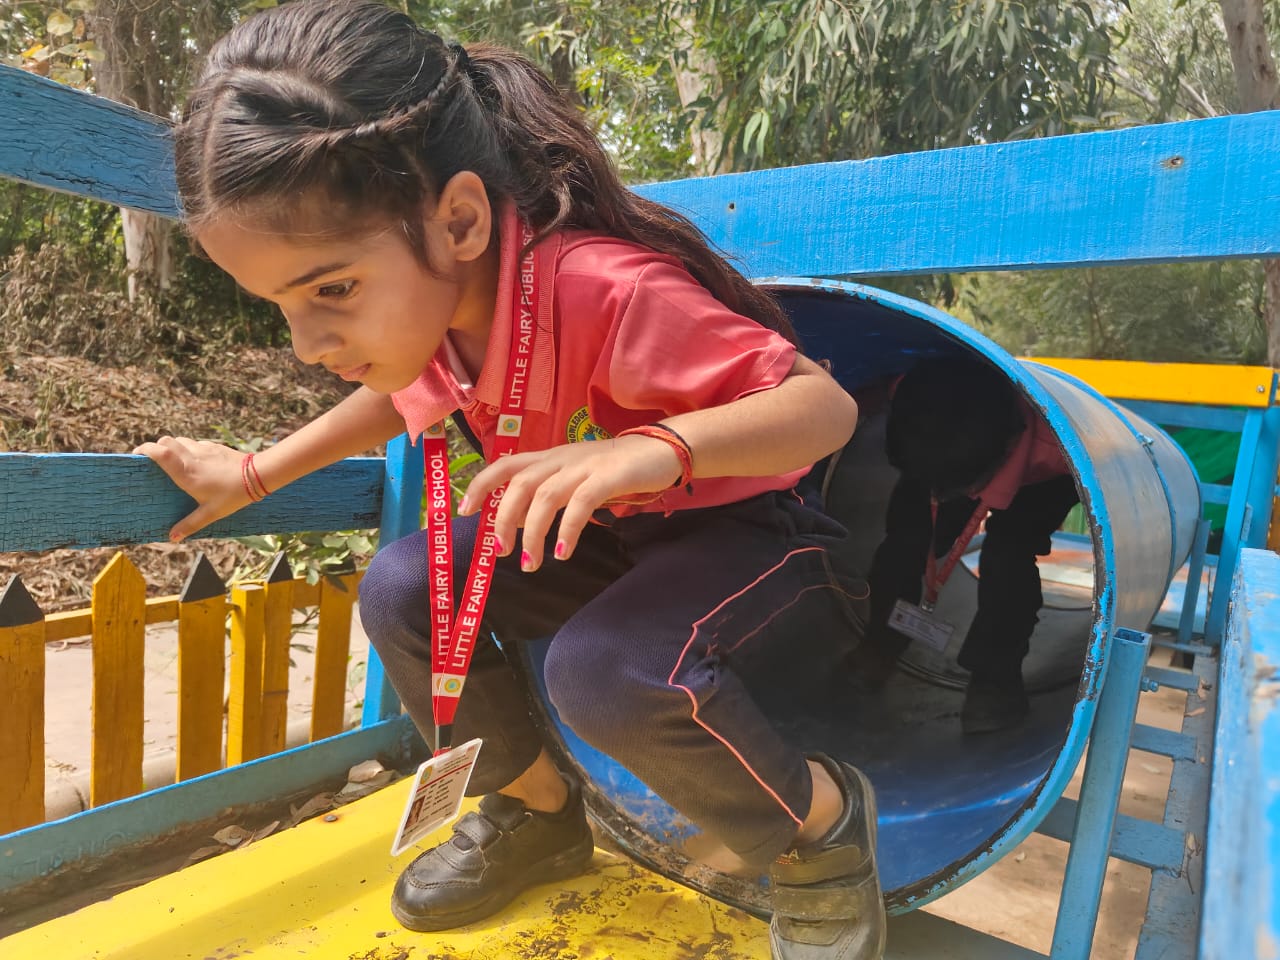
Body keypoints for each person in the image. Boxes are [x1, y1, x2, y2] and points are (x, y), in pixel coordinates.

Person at [134, 2, 884, 957]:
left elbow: (823, 408)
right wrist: (253, 473)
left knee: (603, 672)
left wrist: (648, 450)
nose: (309, 343)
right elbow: (392, 393)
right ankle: (539, 812)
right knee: (406, 587)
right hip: (607, 532)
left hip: (748, 534)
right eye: (282, 304)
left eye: (332, 289)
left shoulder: (605, 287)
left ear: (459, 219)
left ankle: (819, 828)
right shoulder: (446, 311)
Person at [857, 356, 1079, 734]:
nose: (942, 496)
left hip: (1042, 472)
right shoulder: (914, 395)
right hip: (948, 443)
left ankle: (994, 683)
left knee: (1009, 554)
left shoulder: (1061, 449)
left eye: (954, 489)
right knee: (907, 537)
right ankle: (879, 645)